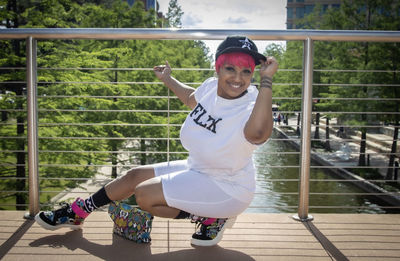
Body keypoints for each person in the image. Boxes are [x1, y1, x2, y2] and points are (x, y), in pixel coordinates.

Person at [35, 35, 278, 246]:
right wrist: (168, 80)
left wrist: (267, 81)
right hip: (200, 169)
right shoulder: (211, 87)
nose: (238, 78)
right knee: (133, 176)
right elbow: (192, 99)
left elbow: (258, 134)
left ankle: (213, 218)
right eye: (230, 69)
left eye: (246, 71)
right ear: (218, 67)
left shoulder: (251, 106)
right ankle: (78, 212)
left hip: (228, 187)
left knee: (145, 195)